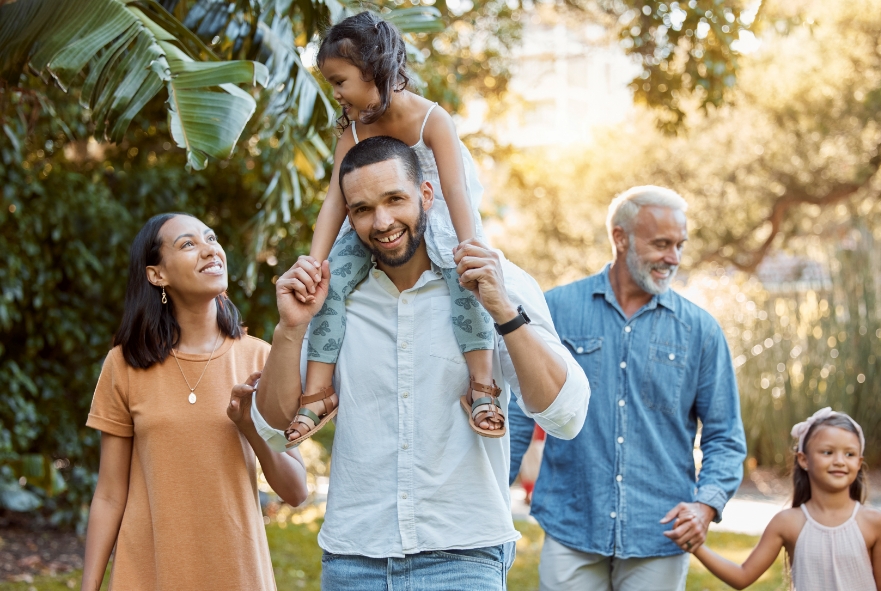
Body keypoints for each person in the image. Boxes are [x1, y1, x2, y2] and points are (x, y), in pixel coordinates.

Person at [251, 136, 590, 590]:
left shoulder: (493, 279)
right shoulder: (328, 297)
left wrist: (504, 312)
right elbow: (275, 429)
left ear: (426, 195)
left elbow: (566, 415)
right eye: (364, 209)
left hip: (464, 557)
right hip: (355, 560)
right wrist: (290, 329)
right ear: (348, 216)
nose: (383, 222)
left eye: (395, 199)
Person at [509, 185, 747, 590]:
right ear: (620, 238)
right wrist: (493, 494)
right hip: (571, 523)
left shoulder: (700, 330)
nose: (673, 258)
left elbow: (725, 435)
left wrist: (706, 505)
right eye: (661, 244)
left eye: (679, 245)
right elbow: (518, 414)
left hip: (659, 532)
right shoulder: (555, 310)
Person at [290, 10, 499, 447]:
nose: (335, 94)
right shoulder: (353, 132)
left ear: (373, 69)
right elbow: (335, 201)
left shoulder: (432, 119)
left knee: (468, 284)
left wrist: (469, 248)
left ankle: (482, 386)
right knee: (329, 285)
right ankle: (319, 392)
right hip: (373, 222)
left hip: (435, 214)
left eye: (339, 81)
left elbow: (455, 190)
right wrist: (315, 262)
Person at [81, 214, 308, 591]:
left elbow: (296, 491)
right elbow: (108, 495)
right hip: (147, 578)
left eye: (211, 238)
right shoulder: (123, 365)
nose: (209, 249)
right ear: (157, 275)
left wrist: (250, 426)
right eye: (188, 244)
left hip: (237, 576)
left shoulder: (261, 360)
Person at [693, 408, 881, 591]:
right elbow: (742, 576)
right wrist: (696, 547)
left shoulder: (874, 522)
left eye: (849, 454)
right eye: (828, 452)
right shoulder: (787, 523)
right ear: (804, 459)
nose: (839, 461)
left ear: (859, 463)